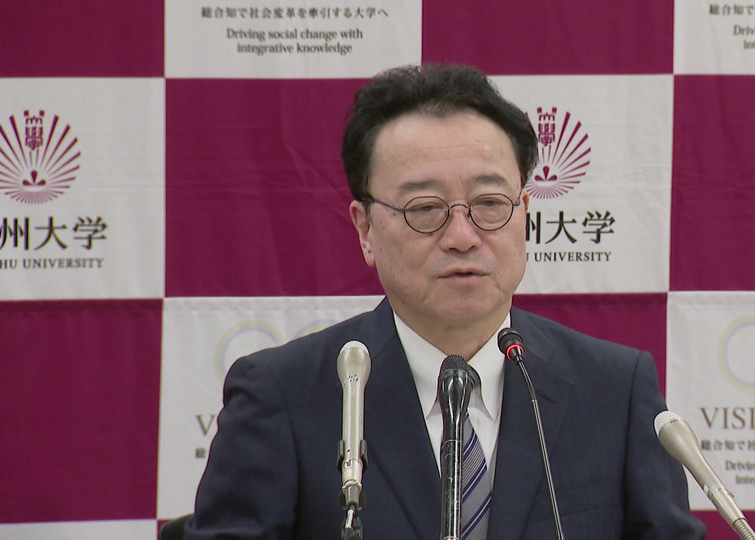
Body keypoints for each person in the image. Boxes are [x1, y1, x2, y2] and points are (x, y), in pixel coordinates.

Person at [185, 64, 705, 539]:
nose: (462, 236)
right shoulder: (282, 397)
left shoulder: (614, 392)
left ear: (525, 213)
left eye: (490, 203)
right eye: (425, 208)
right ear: (365, 229)